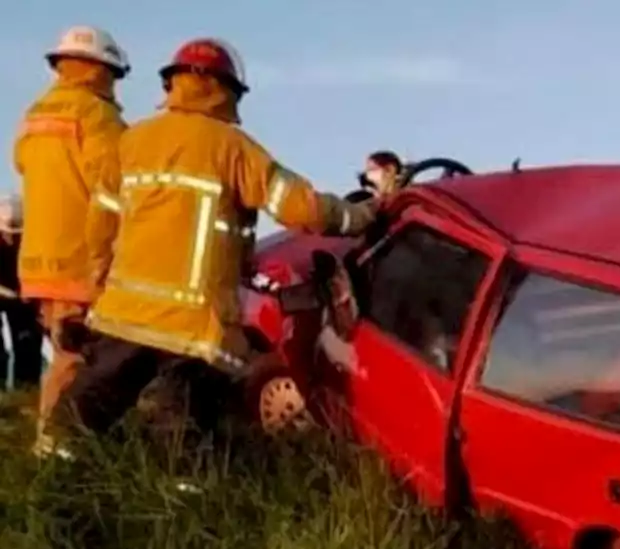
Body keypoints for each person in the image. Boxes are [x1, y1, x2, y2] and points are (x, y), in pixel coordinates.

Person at [50, 38, 381, 452]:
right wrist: (364, 215)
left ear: (174, 83)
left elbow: (100, 227)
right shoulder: (232, 148)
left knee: (77, 421)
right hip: (193, 330)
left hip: (125, 319)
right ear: (226, 89)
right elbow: (304, 209)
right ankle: (184, 505)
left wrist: (97, 284)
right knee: (182, 441)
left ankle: (49, 488)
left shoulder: (131, 143)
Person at [12, 26, 130, 453]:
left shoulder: (34, 114)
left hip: (38, 262)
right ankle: (57, 447)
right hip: (81, 260)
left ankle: (58, 440)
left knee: (65, 351)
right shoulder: (99, 118)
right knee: (77, 358)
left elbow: (22, 163)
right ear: (99, 69)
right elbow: (117, 188)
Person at [0, 193, 44, 389]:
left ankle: (26, 392)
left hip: (24, 293)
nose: (12, 236)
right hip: (7, 292)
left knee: (28, 343)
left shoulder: (35, 240)